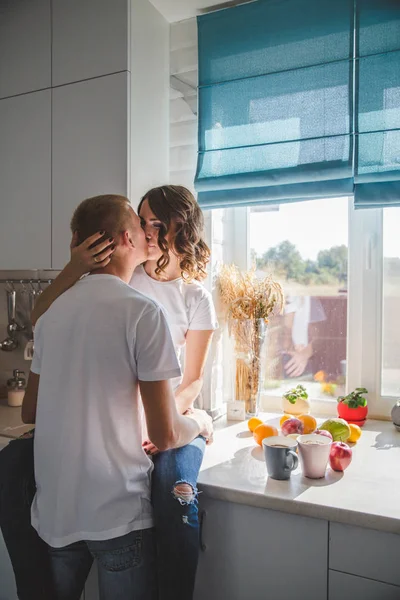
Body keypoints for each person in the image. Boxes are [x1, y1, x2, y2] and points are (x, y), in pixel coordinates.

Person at [21, 193, 213, 600]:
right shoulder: (142, 312)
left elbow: (30, 410)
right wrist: (200, 422)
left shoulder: (50, 316)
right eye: (142, 226)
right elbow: (163, 435)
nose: (149, 234)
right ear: (128, 238)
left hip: (56, 513)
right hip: (117, 512)